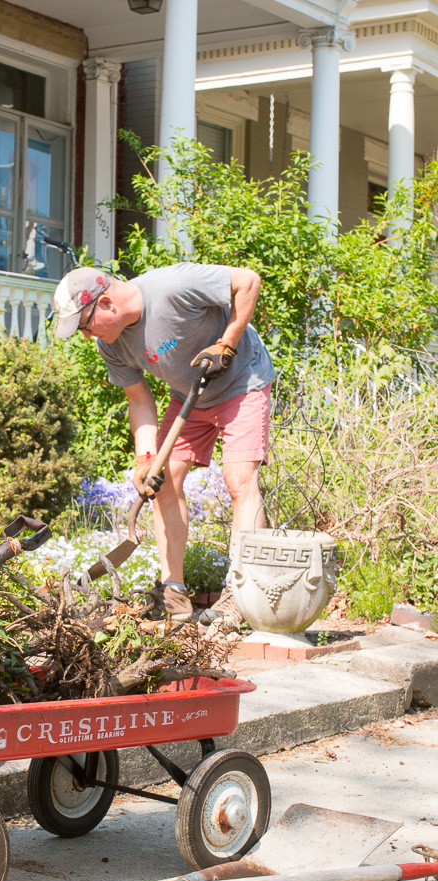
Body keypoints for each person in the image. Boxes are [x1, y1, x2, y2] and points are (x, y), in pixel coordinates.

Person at [53, 262, 276, 627]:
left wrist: (228, 342)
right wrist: (145, 460)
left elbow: (248, 280)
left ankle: (241, 592)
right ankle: (174, 593)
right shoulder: (110, 346)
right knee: (163, 481)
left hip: (242, 381)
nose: (85, 335)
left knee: (239, 480)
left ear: (106, 303)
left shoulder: (173, 286)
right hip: (191, 393)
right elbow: (139, 400)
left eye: (85, 325)